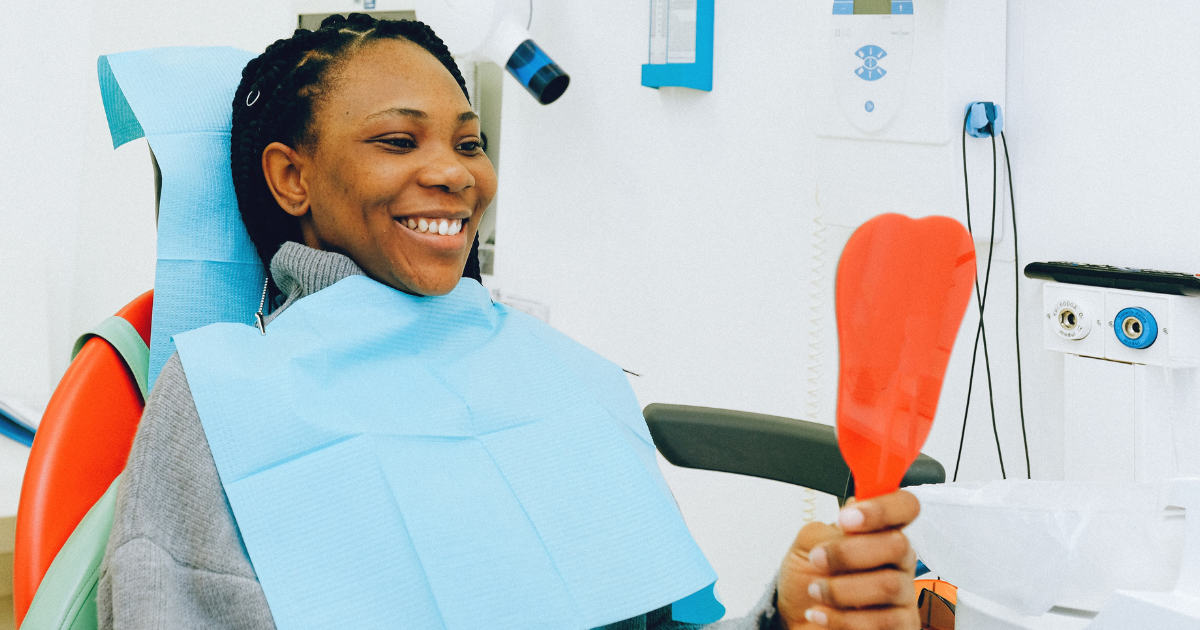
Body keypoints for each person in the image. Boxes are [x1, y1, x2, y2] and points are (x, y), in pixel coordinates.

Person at [98, 14, 921, 630]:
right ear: (291, 177)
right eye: (397, 140)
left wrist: (786, 611)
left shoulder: (561, 375)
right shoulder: (225, 395)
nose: (454, 173)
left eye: (470, 142)